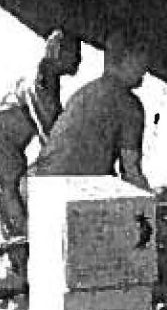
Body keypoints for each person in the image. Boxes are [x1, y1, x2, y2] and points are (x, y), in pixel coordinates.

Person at [0, 29, 82, 274]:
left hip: (7, 146)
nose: (79, 60)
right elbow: (51, 133)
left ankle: (16, 270)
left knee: (11, 207)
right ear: (57, 52)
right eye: (74, 54)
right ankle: (16, 274)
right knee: (11, 206)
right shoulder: (41, 80)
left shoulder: (49, 79)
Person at [31, 26, 151, 191]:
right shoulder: (129, 106)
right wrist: (155, 205)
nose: (145, 69)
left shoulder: (84, 93)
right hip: (71, 193)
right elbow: (131, 173)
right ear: (127, 58)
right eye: (142, 61)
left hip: (39, 188)